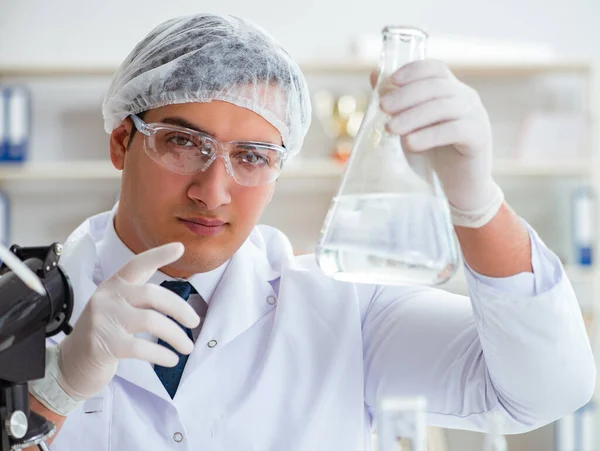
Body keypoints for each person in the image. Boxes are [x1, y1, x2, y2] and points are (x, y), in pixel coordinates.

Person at [27, 13, 594, 451]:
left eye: (252, 156)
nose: (213, 191)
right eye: (183, 143)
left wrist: (476, 201)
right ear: (122, 144)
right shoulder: (15, 304)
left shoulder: (344, 309)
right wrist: (54, 392)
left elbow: (546, 390)